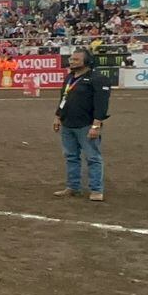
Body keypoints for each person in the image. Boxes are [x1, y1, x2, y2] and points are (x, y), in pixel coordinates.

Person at [53, 47, 110, 202]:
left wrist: (96, 125)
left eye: (76, 59)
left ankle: (97, 190)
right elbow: (63, 98)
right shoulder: (70, 78)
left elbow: (101, 105)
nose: (72, 61)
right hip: (67, 124)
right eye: (71, 59)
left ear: (87, 61)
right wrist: (58, 116)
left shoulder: (98, 79)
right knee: (71, 156)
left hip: (86, 125)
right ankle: (73, 187)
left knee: (93, 158)